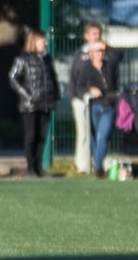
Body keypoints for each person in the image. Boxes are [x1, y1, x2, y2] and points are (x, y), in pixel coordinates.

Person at [68, 22, 123, 175]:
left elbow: (118, 56)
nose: (96, 37)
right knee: (84, 133)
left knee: (101, 135)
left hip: (104, 102)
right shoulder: (81, 55)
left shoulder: (107, 55)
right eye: (93, 34)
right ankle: (83, 166)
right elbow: (76, 78)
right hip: (82, 98)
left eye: (98, 34)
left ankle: (99, 164)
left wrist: (105, 46)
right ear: (86, 36)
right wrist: (83, 93)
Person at [8, 29, 59, 178]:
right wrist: (28, 95)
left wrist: (54, 96)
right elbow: (13, 78)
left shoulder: (47, 59)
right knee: (31, 136)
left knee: (42, 136)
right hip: (30, 105)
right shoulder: (22, 59)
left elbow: (52, 79)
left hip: (46, 103)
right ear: (34, 42)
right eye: (42, 40)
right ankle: (30, 169)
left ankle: (39, 168)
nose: (45, 43)